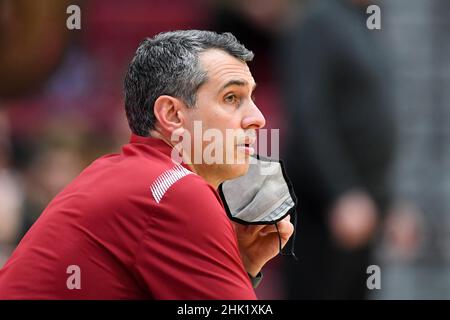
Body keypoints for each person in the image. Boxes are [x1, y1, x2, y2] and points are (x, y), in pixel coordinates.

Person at [0, 30, 294, 299]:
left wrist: (241, 268)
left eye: (252, 97)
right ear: (172, 115)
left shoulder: (123, 172)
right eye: (232, 97)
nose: (257, 118)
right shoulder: (174, 192)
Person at [279, 0, 395, 299]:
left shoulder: (364, 21)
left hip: (362, 207)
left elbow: (370, 118)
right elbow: (309, 116)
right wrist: (341, 192)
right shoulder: (318, 23)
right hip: (324, 210)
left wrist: (387, 203)